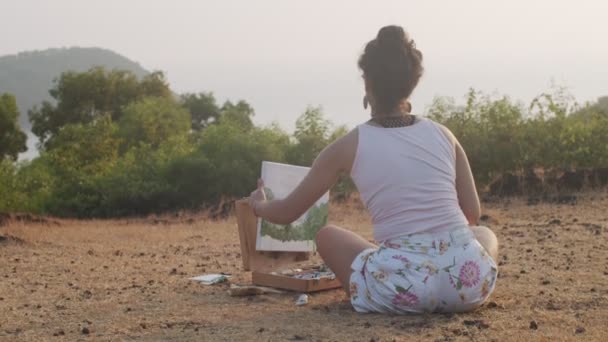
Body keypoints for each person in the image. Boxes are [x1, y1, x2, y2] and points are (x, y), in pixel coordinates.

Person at [249, 25, 498, 314]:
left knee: (326, 236)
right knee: (484, 235)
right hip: (468, 284)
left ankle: (399, 268)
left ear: (367, 83)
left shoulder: (348, 145)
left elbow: (287, 212)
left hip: (403, 290)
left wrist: (259, 206)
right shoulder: (444, 134)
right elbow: (471, 214)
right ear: (412, 83)